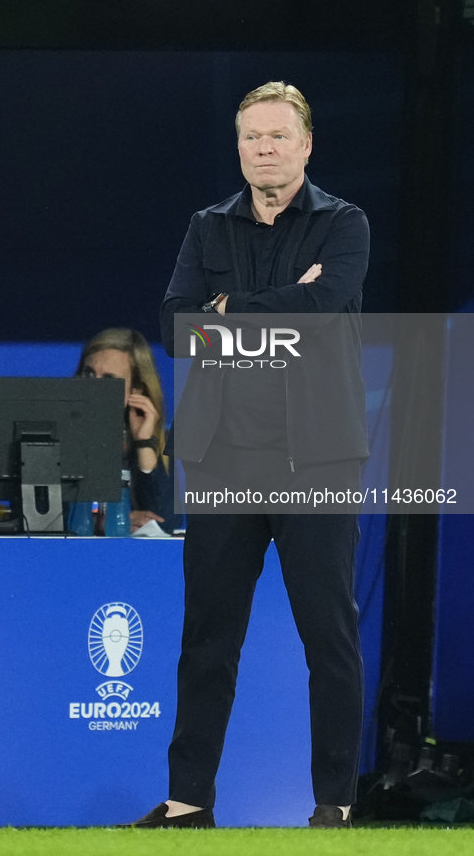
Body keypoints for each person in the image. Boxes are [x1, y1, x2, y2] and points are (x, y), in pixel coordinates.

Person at [129, 81, 370, 828]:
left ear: (304, 146)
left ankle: (333, 804)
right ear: (238, 148)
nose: (261, 148)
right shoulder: (207, 227)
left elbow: (325, 309)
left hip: (318, 459)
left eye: (275, 136)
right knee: (207, 638)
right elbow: (175, 330)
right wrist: (272, 306)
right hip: (225, 458)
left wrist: (229, 311)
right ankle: (186, 802)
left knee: (327, 637)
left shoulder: (343, 223)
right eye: (249, 138)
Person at [70, 327, 177, 535]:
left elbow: (163, 523)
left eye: (109, 379)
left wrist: (143, 443)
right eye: (89, 375)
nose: (94, 387)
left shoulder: (165, 443)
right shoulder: (60, 435)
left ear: (137, 389)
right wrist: (104, 519)